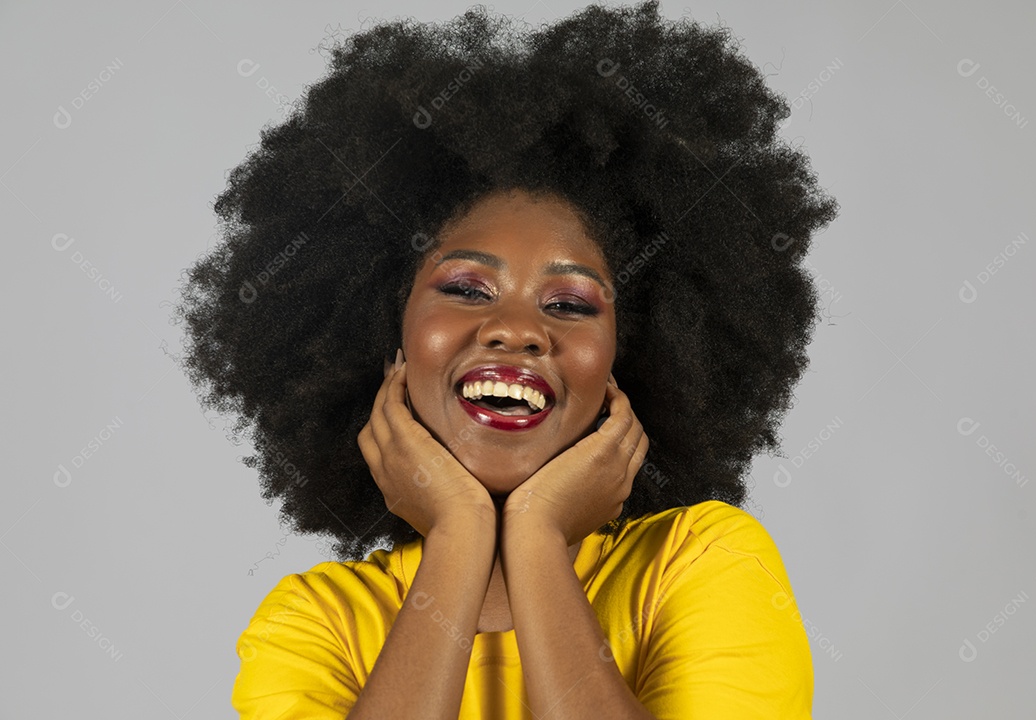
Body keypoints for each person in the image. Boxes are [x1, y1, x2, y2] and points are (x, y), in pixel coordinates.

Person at [175, 2, 838, 717]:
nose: (517, 330)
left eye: (571, 305)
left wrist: (542, 542)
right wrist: (457, 537)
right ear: (384, 336)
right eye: (465, 288)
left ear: (630, 356)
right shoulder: (317, 622)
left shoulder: (705, 560)